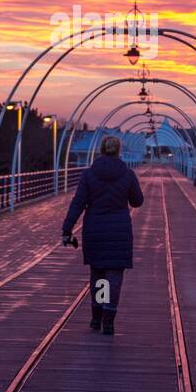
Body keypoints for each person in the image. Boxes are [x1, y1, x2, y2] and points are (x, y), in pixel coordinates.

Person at [61, 135, 144, 335]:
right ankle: (109, 320)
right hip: (119, 231)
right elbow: (137, 201)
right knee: (113, 275)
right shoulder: (128, 174)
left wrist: (67, 229)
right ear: (119, 151)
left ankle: (96, 317)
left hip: (95, 229)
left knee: (98, 274)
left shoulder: (89, 175)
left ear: (101, 150)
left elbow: (78, 203)